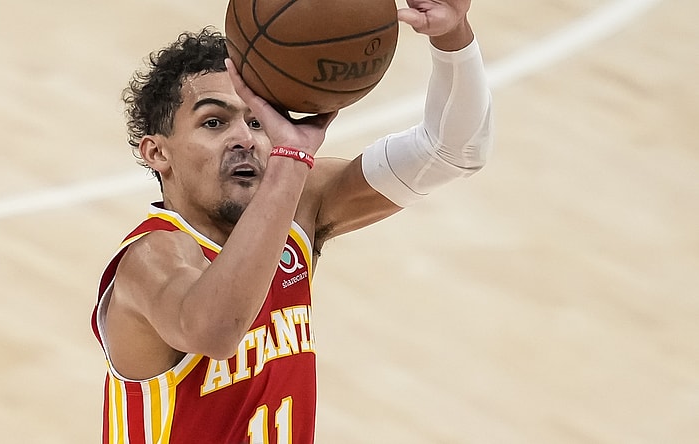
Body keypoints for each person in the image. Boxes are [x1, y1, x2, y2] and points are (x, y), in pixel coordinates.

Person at [90, 0, 492, 442]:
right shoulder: (152, 259)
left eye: (258, 121)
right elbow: (216, 331)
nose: (244, 138)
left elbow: (450, 152)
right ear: (157, 152)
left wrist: (452, 38)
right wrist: (291, 159)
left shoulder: (298, 204)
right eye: (214, 121)